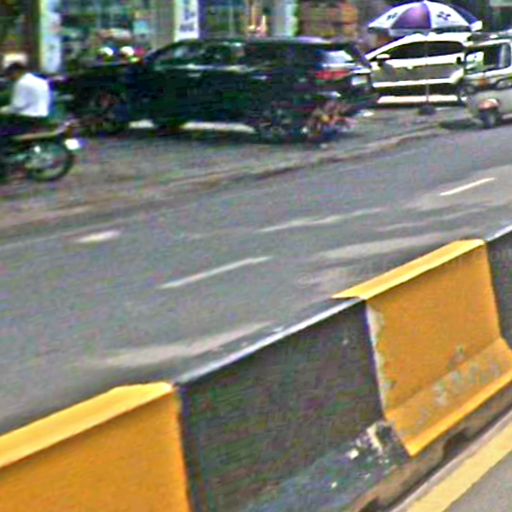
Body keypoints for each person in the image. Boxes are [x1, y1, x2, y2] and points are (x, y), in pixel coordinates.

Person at [0, 62, 51, 179]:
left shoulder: (22, 83)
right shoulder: (41, 81)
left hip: (25, 119)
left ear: (16, 72)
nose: (10, 78)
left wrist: (2, 110)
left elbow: (17, 105)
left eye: (10, 74)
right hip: (42, 117)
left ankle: (3, 171)